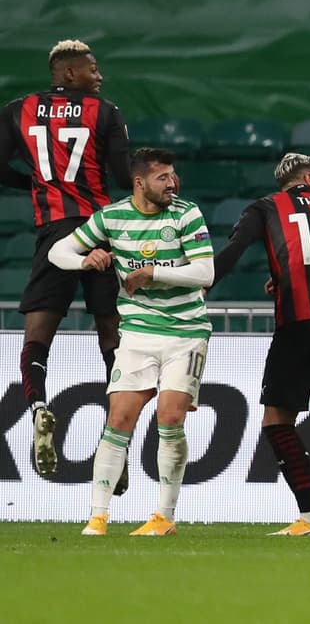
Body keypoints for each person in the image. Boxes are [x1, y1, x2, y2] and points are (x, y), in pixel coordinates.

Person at [44, 148, 213, 536]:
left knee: (170, 417)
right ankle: (97, 516)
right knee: (118, 419)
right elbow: (58, 251)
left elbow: (205, 272)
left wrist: (153, 272)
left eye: (172, 175)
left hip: (186, 332)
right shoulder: (112, 217)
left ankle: (164, 516)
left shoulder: (186, 214)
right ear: (139, 183)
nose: (172, 183)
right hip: (137, 332)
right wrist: (85, 261)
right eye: (162, 177)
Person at [0, 40, 131, 481]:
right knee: (112, 335)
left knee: (37, 336)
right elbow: (123, 175)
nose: (100, 76)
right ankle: (116, 440)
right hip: (100, 232)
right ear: (70, 73)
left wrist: (37, 184)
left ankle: (39, 406)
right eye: (92, 69)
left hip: (54, 231)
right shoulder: (106, 112)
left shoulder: (17, 110)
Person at [212, 153, 310, 537]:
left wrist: (201, 282)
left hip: (299, 321)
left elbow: (233, 251)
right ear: (309, 178)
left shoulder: (266, 206)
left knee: (277, 420)